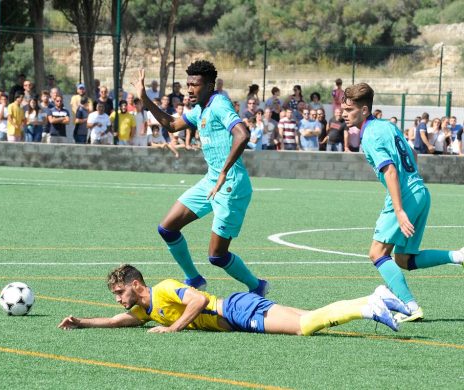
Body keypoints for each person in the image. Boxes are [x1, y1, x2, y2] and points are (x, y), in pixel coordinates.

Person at [133, 60, 268, 295]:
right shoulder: (200, 110)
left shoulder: (219, 104)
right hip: (210, 182)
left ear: (209, 85)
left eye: (195, 84)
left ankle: (257, 286)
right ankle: (194, 279)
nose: (190, 89)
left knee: (217, 256)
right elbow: (172, 125)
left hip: (230, 186)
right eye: (188, 84)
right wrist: (145, 100)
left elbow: (242, 134)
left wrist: (224, 172)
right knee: (167, 228)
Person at [341, 82, 464, 323]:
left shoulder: (369, 136)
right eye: (343, 110)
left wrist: (399, 210)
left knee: (377, 253)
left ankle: (410, 306)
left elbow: (390, 172)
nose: (344, 114)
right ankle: (458, 256)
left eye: (349, 110)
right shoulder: (388, 126)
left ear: (364, 110)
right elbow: (412, 153)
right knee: (404, 259)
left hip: (406, 196)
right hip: (420, 191)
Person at [58, 264, 402, 334]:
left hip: (236, 310)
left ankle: (366, 308)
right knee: (312, 315)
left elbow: (198, 301)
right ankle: (378, 296)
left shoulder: (163, 288)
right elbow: (120, 321)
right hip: (238, 311)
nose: (119, 300)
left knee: (304, 328)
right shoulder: (146, 309)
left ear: (136, 283)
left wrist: (173, 329)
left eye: (120, 292)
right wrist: (83, 322)